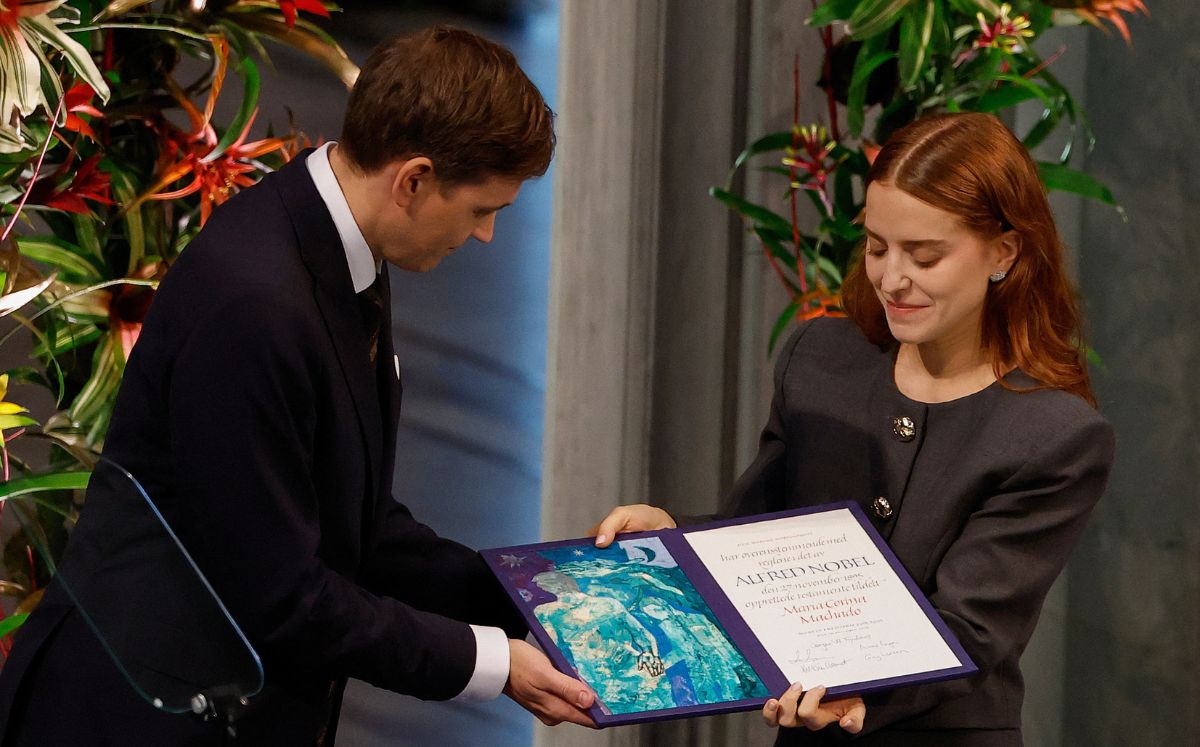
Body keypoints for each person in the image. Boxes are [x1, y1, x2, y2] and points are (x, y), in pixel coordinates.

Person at [0, 26, 594, 745]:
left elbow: (357, 525)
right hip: (135, 715)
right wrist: (493, 663)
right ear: (413, 179)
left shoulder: (346, 242)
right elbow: (283, 596)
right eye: (481, 209)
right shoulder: (256, 306)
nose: (487, 235)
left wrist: (545, 598)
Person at [591, 111, 1115, 746]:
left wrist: (858, 693)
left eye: (924, 255)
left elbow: (973, 627)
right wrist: (675, 539)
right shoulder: (820, 359)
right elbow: (757, 537)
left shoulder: (1053, 434)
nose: (893, 279)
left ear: (1005, 251)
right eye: (876, 247)